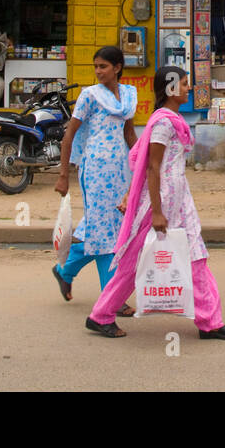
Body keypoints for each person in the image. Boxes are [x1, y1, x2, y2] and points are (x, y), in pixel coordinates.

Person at [85, 66, 225, 340]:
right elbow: (152, 167)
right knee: (134, 263)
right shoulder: (163, 123)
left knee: (196, 258)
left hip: (179, 201)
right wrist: (157, 212)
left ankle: (209, 322)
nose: (187, 88)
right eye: (183, 84)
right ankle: (101, 315)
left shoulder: (173, 121)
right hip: (161, 204)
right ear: (170, 88)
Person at [52, 46, 137, 303]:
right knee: (105, 234)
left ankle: (64, 270)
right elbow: (69, 136)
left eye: (103, 66)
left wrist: (146, 162)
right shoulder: (89, 95)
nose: (98, 71)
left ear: (118, 68)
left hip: (120, 171)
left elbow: (129, 135)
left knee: (111, 230)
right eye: (96, 67)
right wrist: (63, 174)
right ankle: (112, 300)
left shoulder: (128, 96)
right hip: (95, 171)